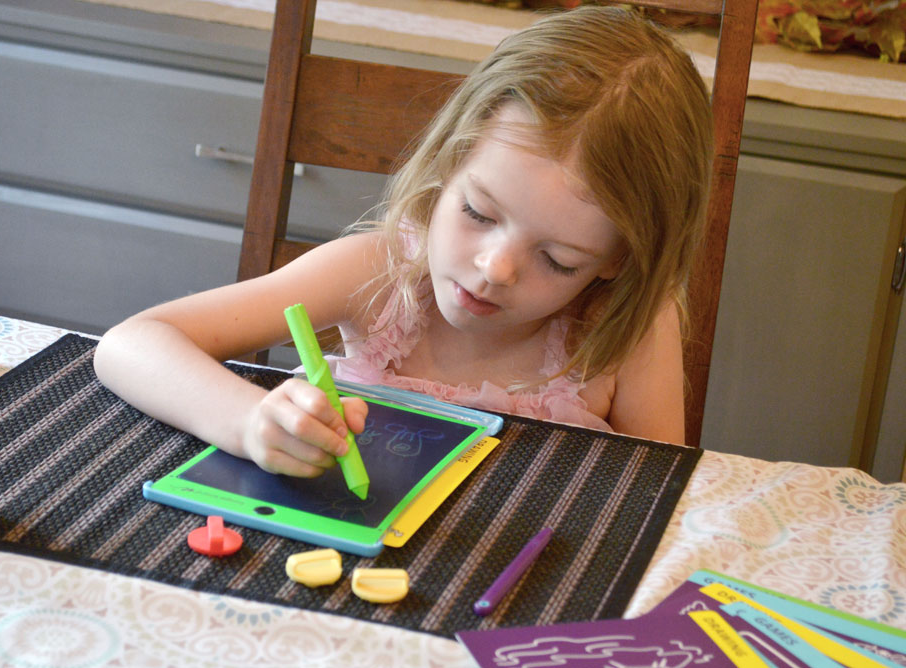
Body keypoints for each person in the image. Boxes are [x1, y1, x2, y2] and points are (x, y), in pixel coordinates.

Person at [94, 5, 712, 479]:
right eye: (477, 212)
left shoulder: (629, 329)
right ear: (448, 163)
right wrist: (248, 420)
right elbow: (131, 344)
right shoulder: (378, 274)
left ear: (618, 261)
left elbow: (661, 496)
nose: (495, 267)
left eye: (558, 259)